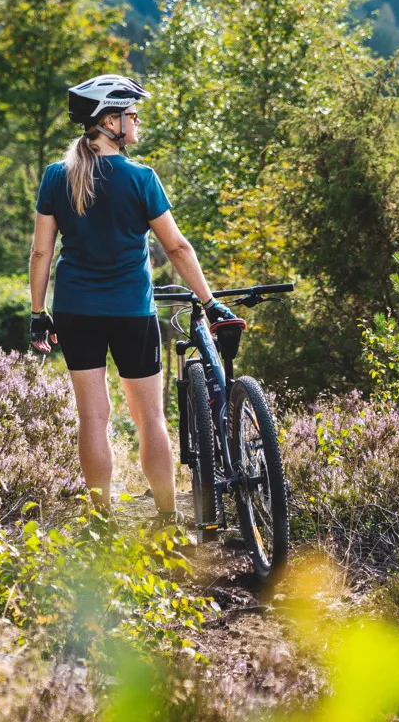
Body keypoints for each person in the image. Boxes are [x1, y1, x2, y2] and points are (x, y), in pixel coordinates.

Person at [29, 74, 242, 524]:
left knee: (94, 418)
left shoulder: (55, 176)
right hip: (131, 313)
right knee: (150, 419)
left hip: (74, 310)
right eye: (132, 114)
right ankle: (166, 516)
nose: (138, 120)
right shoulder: (141, 178)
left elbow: (41, 251)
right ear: (110, 121)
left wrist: (37, 313)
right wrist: (210, 302)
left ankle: (101, 520)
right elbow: (178, 247)